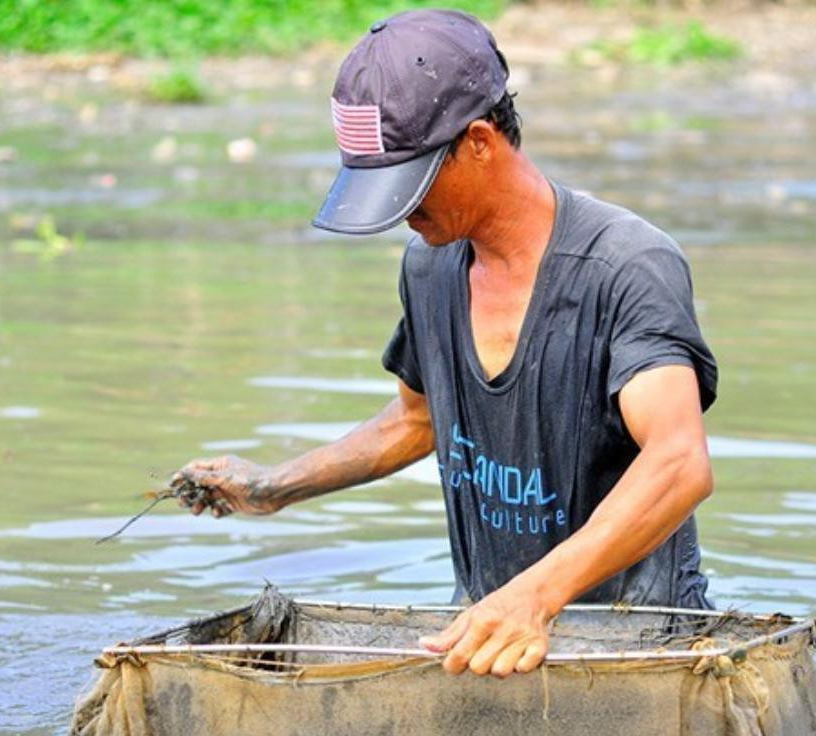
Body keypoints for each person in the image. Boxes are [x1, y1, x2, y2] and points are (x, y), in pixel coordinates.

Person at [175, 8, 718, 679]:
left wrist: (535, 598)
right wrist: (272, 487)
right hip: (486, 636)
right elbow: (419, 418)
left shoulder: (627, 266)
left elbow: (679, 462)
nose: (402, 212)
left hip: (638, 646)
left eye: (411, 184)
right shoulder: (431, 266)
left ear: (481, 142)